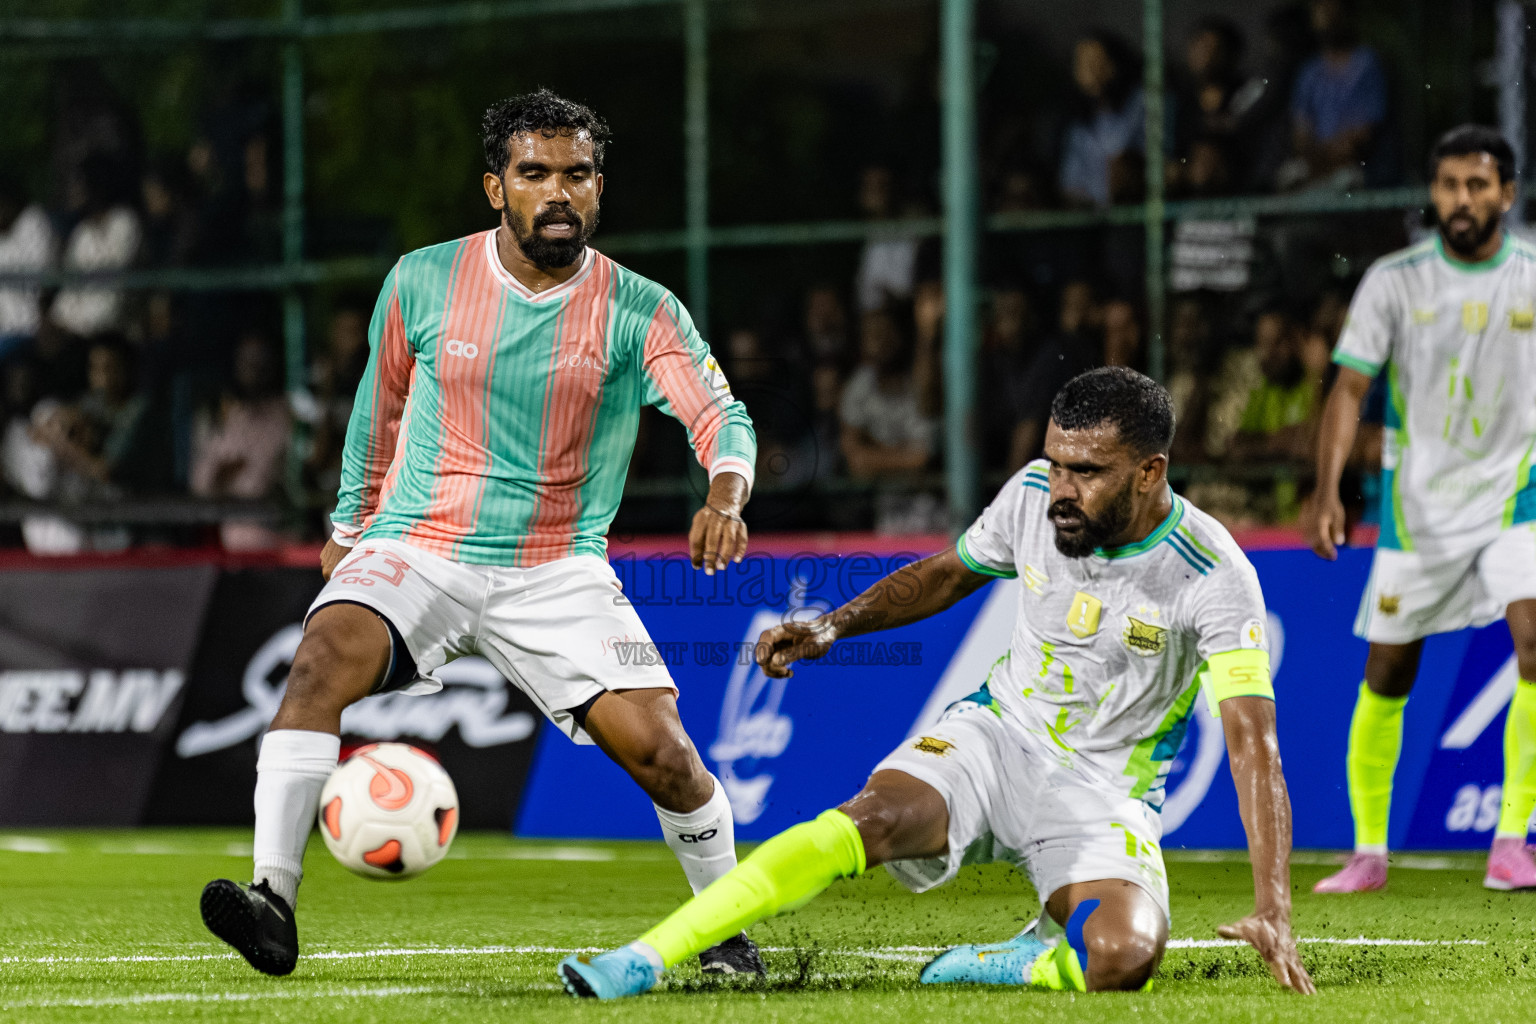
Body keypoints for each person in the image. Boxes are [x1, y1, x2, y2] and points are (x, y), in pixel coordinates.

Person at [198, 90, 763, 978]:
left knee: (669, 759)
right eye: (535, 174)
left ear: (598, 188)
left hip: (556, 570)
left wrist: (725, 497)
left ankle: (726, 931)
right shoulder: (423, 279)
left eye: (576, 175)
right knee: (316, 665)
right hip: (418, 546)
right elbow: (376, 411)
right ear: (496, 188)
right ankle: (273, 900)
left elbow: (720, 418)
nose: (558, 193)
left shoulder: (640, 309)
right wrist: (349, 527)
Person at [560, 366, 1315, 999]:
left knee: (1124, 958)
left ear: (1150, 472)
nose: (1060, 487)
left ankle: (1021, 960)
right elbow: (948, 574)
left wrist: (1272, 905)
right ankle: (645, 958)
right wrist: (834, 625)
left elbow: (1253, 745)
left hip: (1105, 795)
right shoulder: (1030, 499)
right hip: (996, 738)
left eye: (1086, 472)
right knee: (869, 820)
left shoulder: (1211, 573)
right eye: (1055, 461)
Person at [1310, 125, 1536, 893]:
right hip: (1421, 513)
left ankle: (1512, 841)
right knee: (1388, 672)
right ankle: (1368, 852)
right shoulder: (1395, 280)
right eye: (1448, 186)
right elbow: (1347, 387)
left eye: (1477, 186)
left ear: (1507, 193)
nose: (1461, 200)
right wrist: (1328, 486)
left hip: (1517, 498)